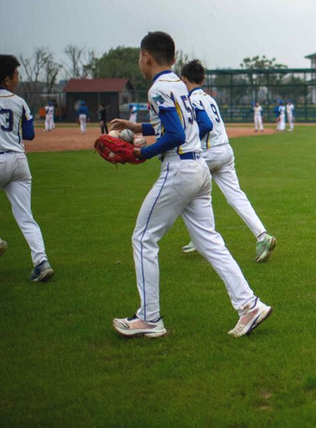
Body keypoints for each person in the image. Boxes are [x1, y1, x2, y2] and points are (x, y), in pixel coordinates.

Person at [108, 32, 271, 339]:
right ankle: (250, 305)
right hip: (199, 168)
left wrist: (142, 152)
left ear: (146, 57)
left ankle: (149, 318)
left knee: (143, 238)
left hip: (179, 169)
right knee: (210, 242)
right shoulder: (180, 87)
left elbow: (174, 134)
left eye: (139, 58)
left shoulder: (158, 88)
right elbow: (186, 125)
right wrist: (135, 126)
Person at [179, 60, 277, 263]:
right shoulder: (210, 99)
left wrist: (190, 140)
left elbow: (204, 124)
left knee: (185, 192)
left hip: (207, 153)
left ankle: (200, 239)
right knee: (236, 197)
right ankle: (262, 236)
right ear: (203, 79)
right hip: (225, 150)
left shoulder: (190, 99)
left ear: (183, 80)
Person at [0, 54, 54, 282]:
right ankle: (41, 262)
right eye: (16, 74)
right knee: (26, 218)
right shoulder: (19, 102)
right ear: (7, 79)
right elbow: (29, 134)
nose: (18, 78)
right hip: (19, 162)